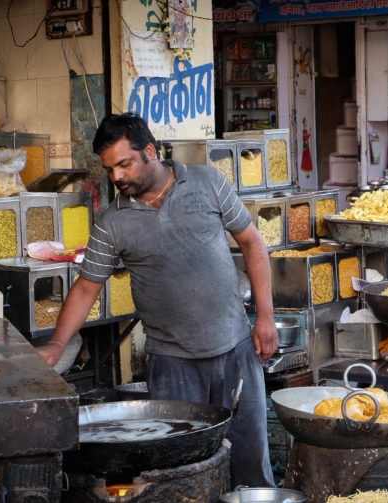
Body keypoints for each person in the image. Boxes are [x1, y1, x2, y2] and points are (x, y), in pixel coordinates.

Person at [36, 112, 278, 488]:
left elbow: (252, 242)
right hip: (173, 365)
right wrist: (56, 343)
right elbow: (86, 287)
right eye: (110, 168)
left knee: (250, 461)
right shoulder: (113, 222)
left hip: (236, 350)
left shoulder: (208, 182)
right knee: (178, 475)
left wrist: (265, 316)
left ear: (149, 151)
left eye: (124, 164)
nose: (116, 176)